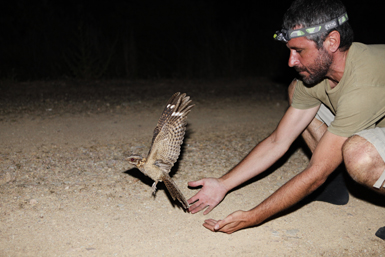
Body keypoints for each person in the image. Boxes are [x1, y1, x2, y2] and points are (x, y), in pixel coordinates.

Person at [187, 0, 385, 236]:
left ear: (332, 42)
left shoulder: (364, 83)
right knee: (295, 90)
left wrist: (254, 216)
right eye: (290, 50)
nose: (291, 61)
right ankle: (337, 182)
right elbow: (278, 141)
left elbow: (316, 173)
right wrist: (223, 183)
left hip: (367, 97)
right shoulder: (319, 75)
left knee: (359, 155)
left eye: (299, 51)